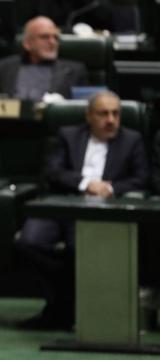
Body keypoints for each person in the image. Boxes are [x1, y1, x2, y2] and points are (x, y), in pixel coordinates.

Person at [16, 91, 149, 330]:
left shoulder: (132, 139)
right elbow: (52, 172)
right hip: (64, 204)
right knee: (29, 242)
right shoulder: (68, 135)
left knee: (81, 250)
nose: (111, 120)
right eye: (103, 114)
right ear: (88, 116)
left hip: (102, 210)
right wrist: (86, 184)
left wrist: (111, 188)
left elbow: (141, 180)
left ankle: (60, 308)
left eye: (116, 114)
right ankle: (67, 299)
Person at [0, 16, 89, 101]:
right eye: (45, 37)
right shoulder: (5, 67)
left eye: (56, 37)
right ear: (27, 44)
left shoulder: (75, 71)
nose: (52, 42)